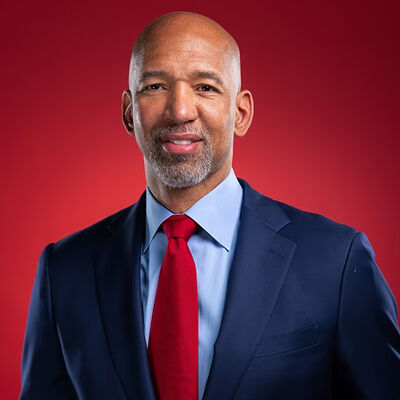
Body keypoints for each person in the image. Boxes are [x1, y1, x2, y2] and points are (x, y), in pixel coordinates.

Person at [20, 11, 400, 400]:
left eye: (205, 87)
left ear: (241, 113)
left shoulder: (335, 261)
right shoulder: (64, 270)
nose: (180, 110)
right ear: (128, 112)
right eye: (154, 86)